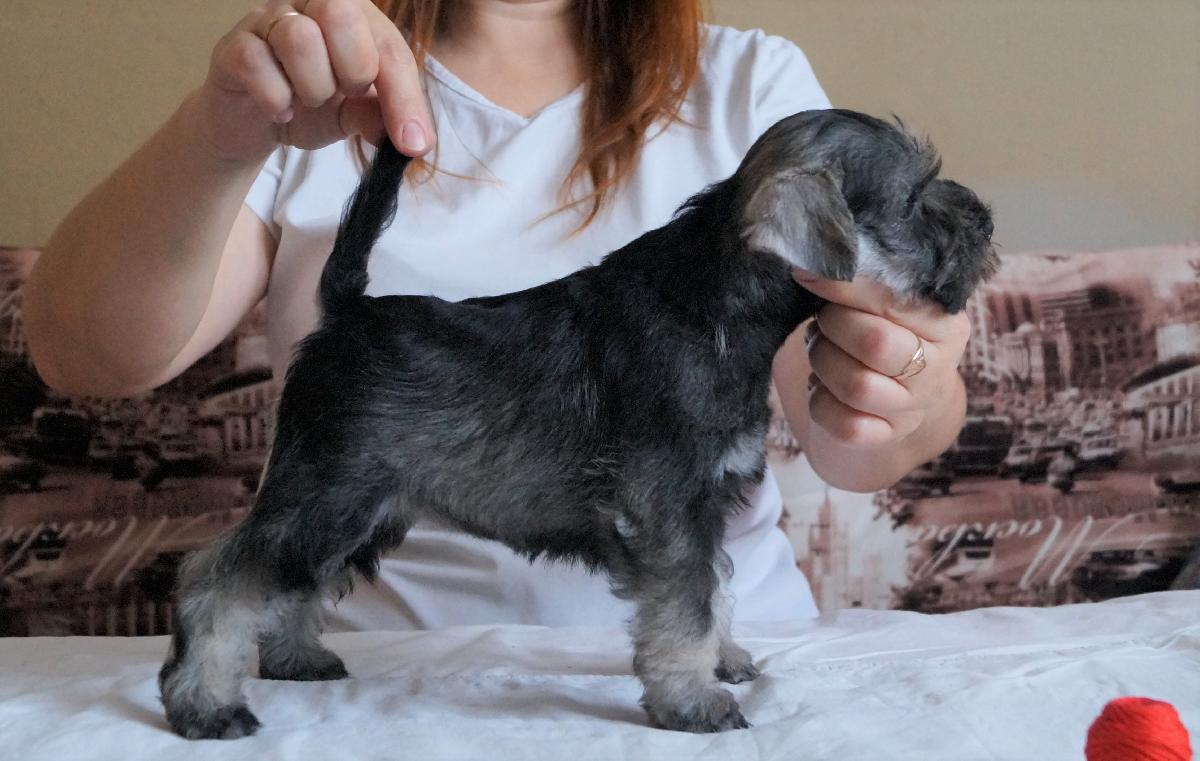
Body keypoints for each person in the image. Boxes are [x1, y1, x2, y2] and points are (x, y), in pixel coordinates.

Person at [23, 0, 972, 630]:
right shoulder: (313, 86)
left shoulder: (754, 88)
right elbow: (83, 354)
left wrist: (909, 390)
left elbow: (851, 443)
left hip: (731, 668)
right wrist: (219, 135)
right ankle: (249, 620)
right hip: (384, 688)